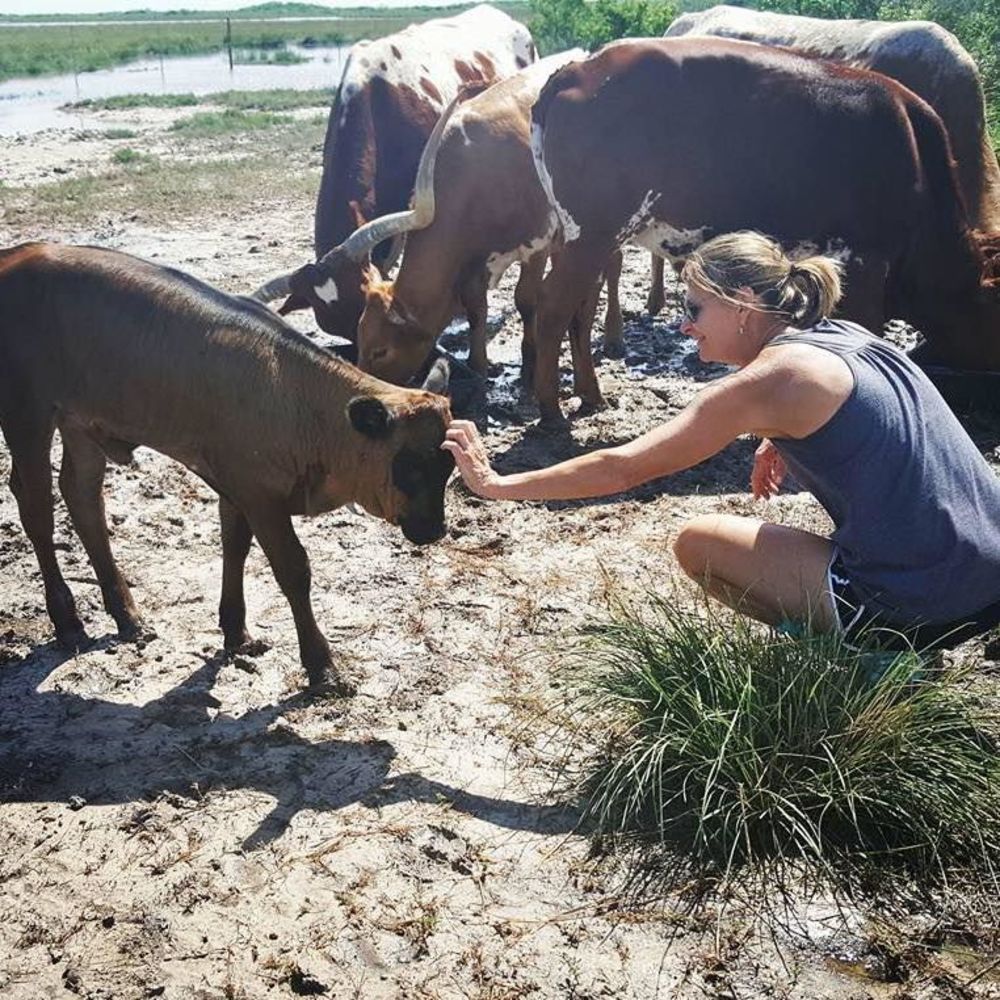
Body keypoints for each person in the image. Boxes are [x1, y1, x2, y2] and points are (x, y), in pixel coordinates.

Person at [442, 231, 1000, 650]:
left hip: (924, 602)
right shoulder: (842, 335)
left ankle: (869, 657)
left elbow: (624, 468)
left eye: (694, 308)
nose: (686, 326)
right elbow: (867, 412)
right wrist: (775, 438)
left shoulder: (765, 383)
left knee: (699, 543)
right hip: (988, 576)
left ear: (740, 302)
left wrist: (498, 484)